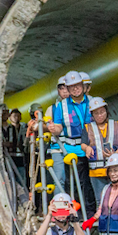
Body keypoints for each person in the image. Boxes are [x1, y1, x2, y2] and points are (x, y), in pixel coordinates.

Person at [46, 71, 96, 218]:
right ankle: (70, 212)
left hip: (90, 147)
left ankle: (93, 211)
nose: (75, 89)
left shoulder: (92, 101)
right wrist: (55, 129)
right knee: (73, 181)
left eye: (77, 85)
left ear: (83, 85)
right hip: (71, 149)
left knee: (91, 180)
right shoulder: (62, 106)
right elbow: (59, 125)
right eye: (71, 86)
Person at [85, 97, 118, 202]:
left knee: (117, 199)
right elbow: (83, 143)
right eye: (96, 113)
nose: (100, 115)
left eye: (102, 112)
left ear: (106, 111)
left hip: (115, 170)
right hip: (97, 171)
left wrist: (115, 155)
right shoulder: (88, 128)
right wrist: (87, 148)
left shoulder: (117, 125)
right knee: (101, 200)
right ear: (92, 115)